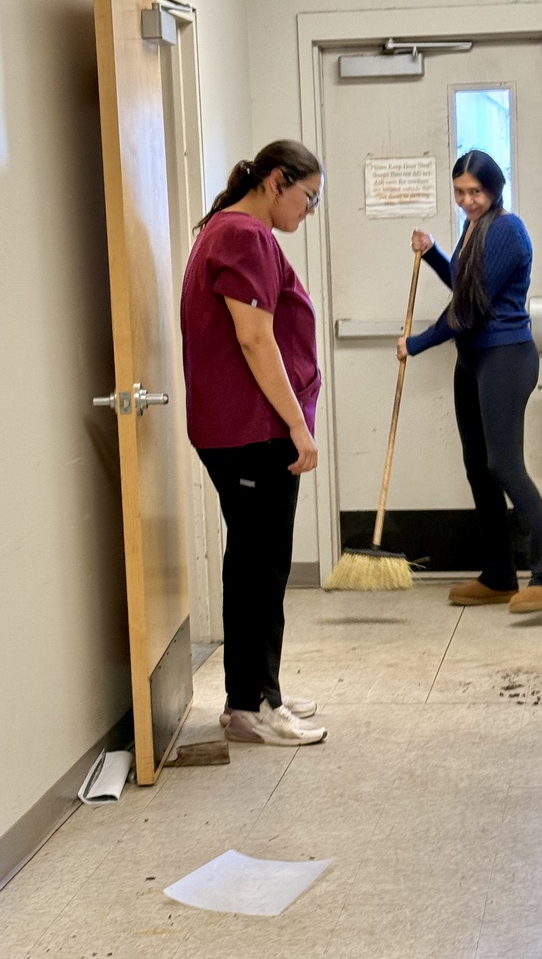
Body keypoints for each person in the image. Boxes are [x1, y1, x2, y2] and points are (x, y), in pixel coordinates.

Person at [180, 140, 327, 745]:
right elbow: (255, 339)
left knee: (252, 562)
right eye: (308, 197)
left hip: (239, 429)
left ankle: (253, 694)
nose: (309, 211)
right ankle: (254, 705)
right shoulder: (243, 235)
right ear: (275, 181)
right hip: (253, 431)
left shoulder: (226, 229)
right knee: (261, 569)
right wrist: (297, 425)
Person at [399, 150, 542, 614]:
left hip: (505, 358)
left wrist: (417, 343)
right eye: (460, 192)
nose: (467, 200)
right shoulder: (473, 227)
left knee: (504, 465)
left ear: (494, 189)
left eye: (475, 191)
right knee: (478, 466)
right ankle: (499, 575)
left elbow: (468, 308)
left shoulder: (507, 230)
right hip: (473, 360)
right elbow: (464, 284)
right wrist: (433, 253)